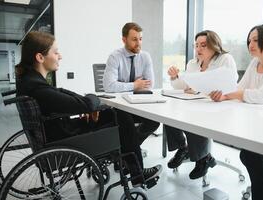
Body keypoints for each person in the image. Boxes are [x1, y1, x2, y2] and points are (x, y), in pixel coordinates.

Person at [16, 31, 160, 187]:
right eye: (56, 52)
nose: (60, 56)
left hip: (55, 132)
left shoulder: (29, 81)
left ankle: (129, 164)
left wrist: (86, 103)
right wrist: (91, 99)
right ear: (40, 57)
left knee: (117, 115)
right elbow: (86, 104)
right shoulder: (36, 86)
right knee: (121, 116)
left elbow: (61, 93)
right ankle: (137, 174)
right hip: (64, 138)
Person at [210, 24, 263, 200]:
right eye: (249, 40)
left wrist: (231, 94)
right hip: (261, 122)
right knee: (249, 154)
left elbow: (262, 96)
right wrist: (225, 95)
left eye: (256, 40)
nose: (250, 44)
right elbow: (240, 89)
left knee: (249, 154)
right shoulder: (254, 63)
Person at [165, 30, 238, 179]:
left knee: (194, 117)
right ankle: (183, 147)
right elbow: (182, 86)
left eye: (203, 45)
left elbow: (231, 85)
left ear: (214, 45)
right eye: (196, 45)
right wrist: (174, 77)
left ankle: (203, 158)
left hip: (221, 107)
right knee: (167, 113)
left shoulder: (225, 59)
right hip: (198, 105)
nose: (198, 49)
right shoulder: (193, 63)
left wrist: (201, 91)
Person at [103, 23, 160, 146]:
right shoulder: (115, 57)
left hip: (139, 104)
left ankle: (130, 147)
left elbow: (149, 85)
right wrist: (135, 85)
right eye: (134, 39)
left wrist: (122, 85)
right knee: (126, 121)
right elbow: (109, 86)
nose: (138, 43)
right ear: (124, 40)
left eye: (140, 39)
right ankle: (131, 150)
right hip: (119, 107)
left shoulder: (145, 57)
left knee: (154, 121)